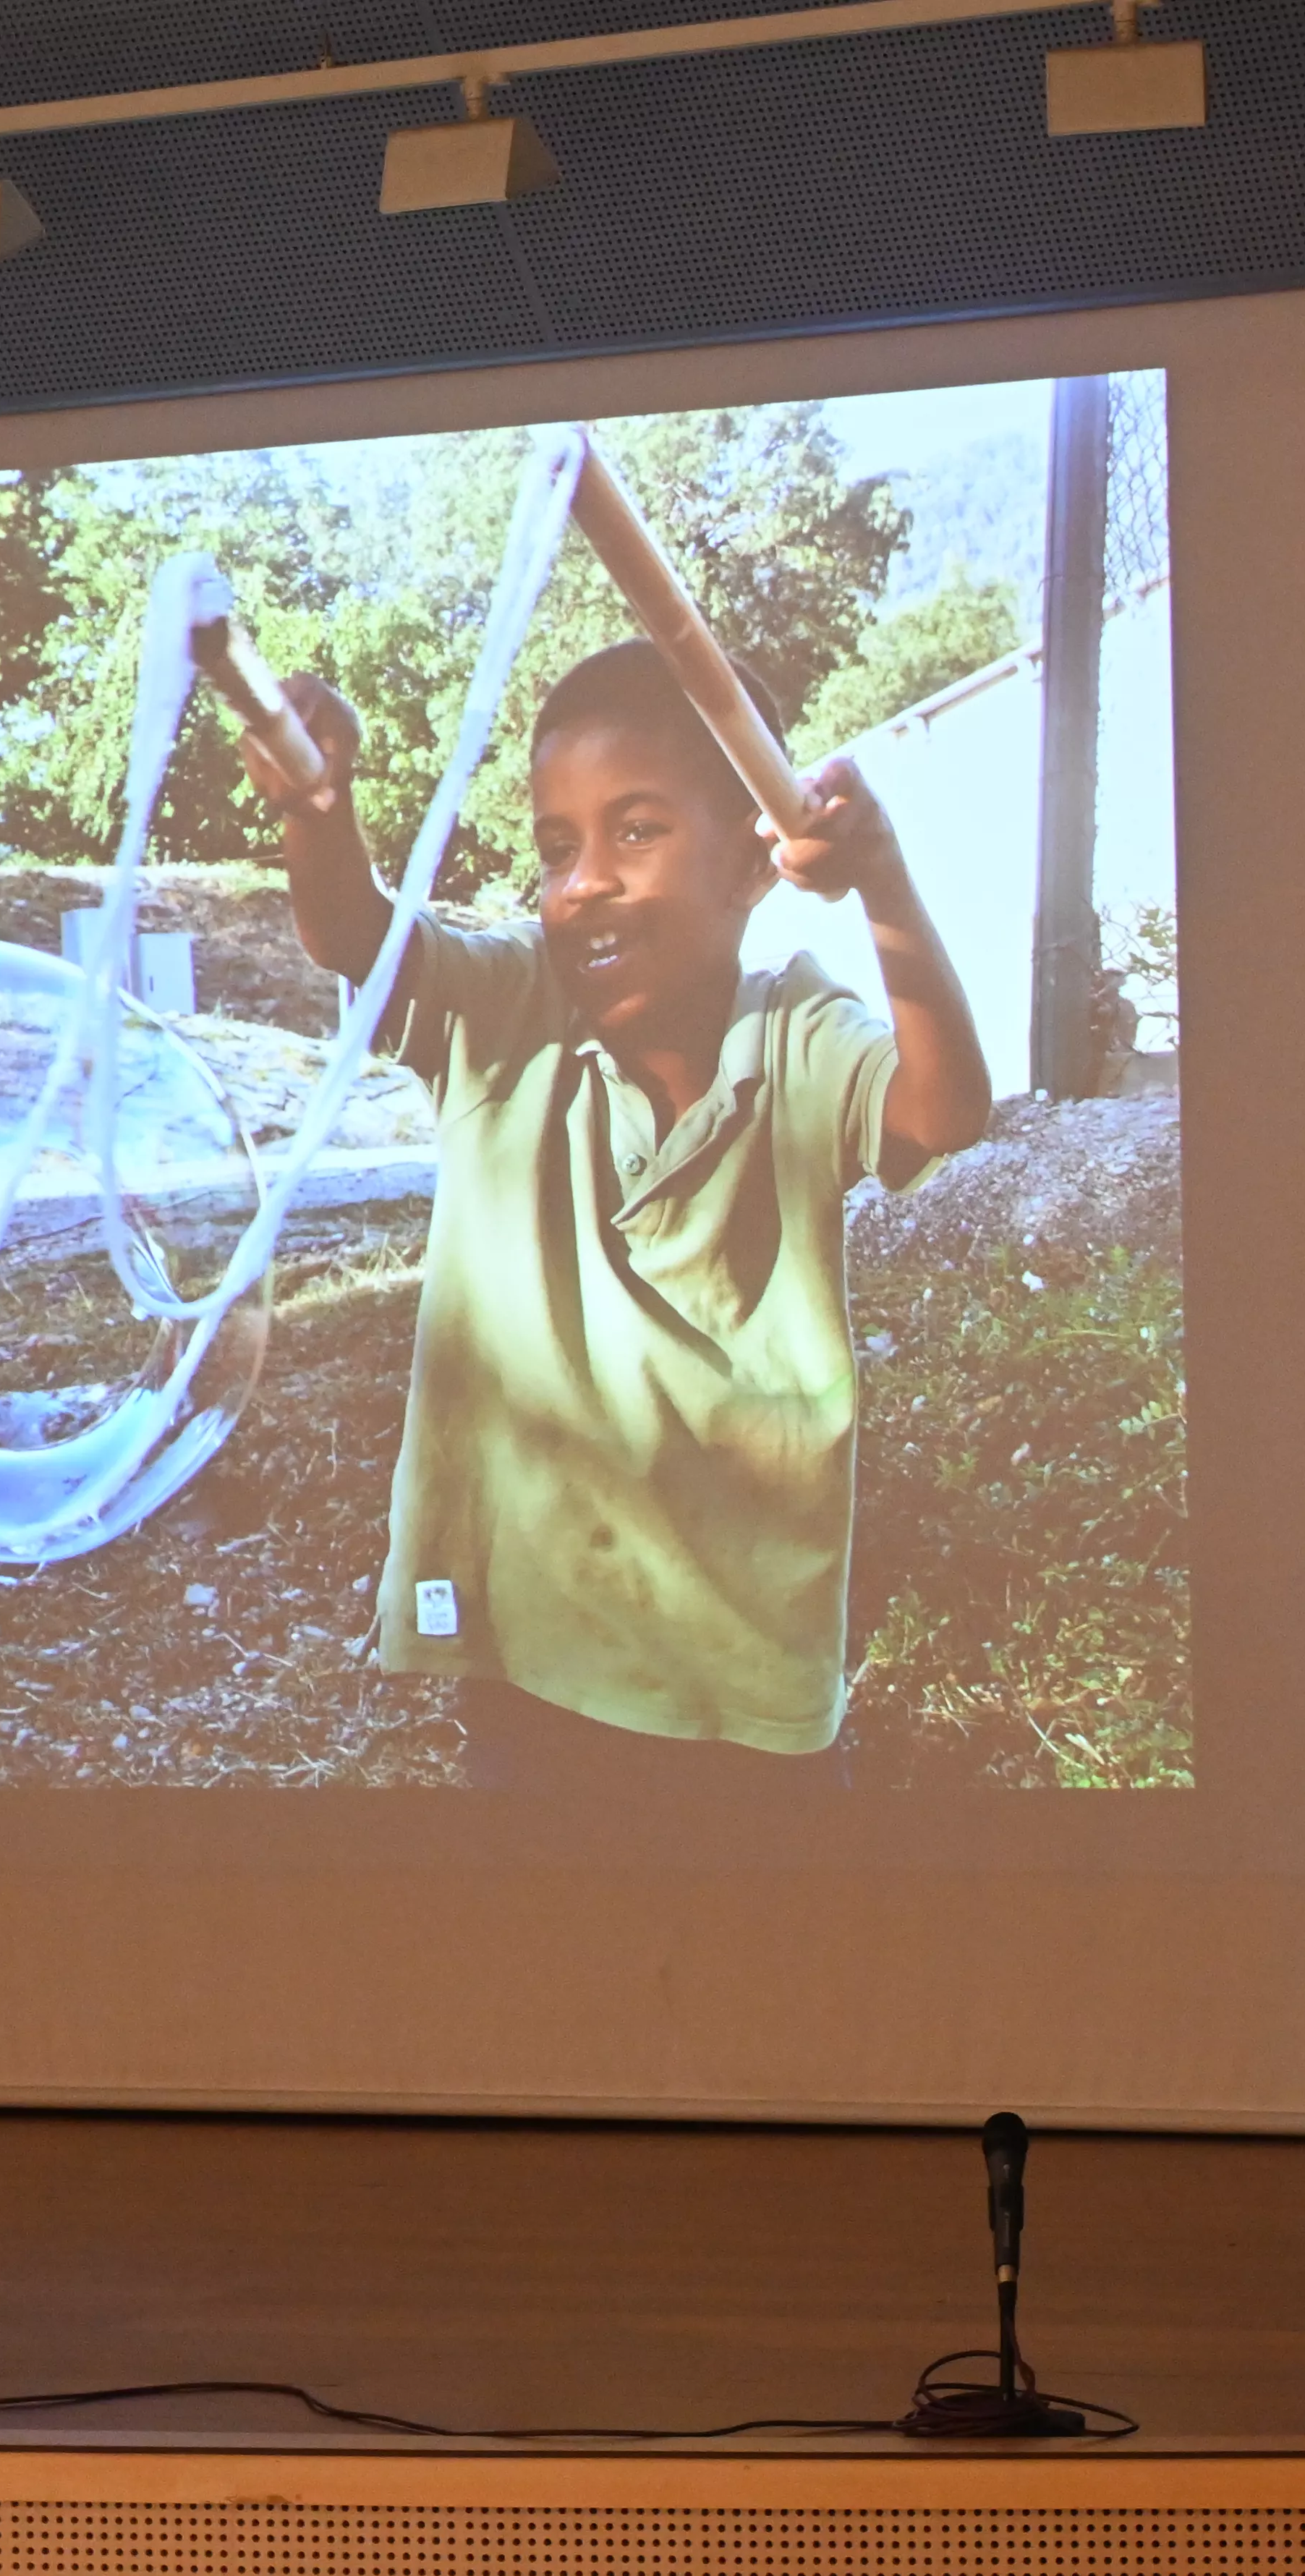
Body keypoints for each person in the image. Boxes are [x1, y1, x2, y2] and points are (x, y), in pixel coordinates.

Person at [241, 641, 992, 1788]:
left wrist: (881, 879)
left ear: (755, 863)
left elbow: (944, 1111)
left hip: (745, 1671)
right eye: (557, 848)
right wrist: (316, 807)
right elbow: (357, 939)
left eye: (635, 831)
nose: (583, 882)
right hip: (531, 1661)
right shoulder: (505, 1011)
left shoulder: (797, 1032)